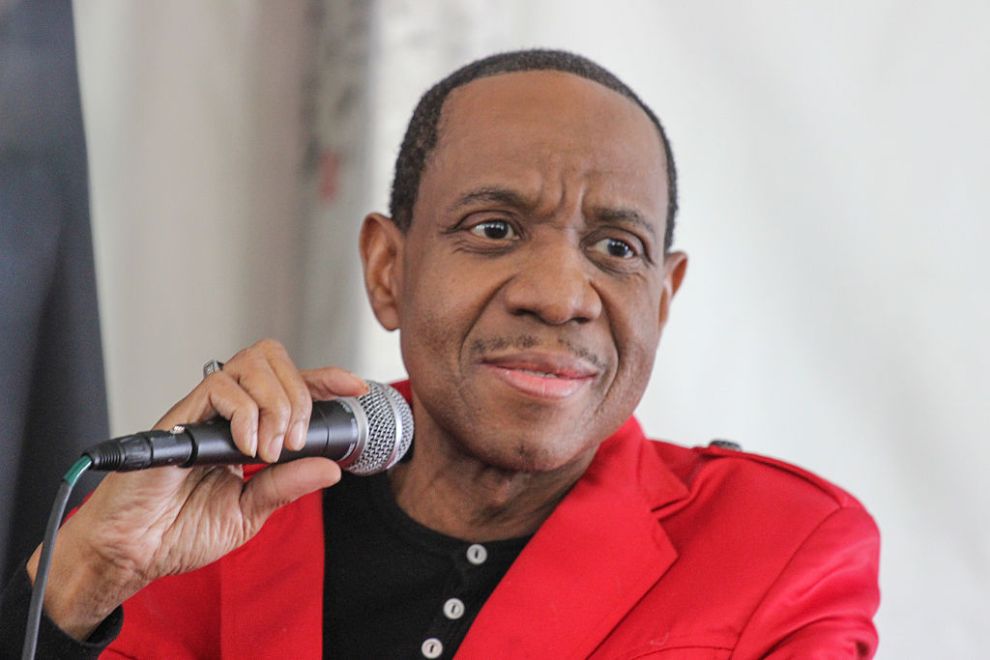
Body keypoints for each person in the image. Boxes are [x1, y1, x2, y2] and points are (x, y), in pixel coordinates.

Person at [1, 50, 880, 658]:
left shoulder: (780, 549)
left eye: (617, 248)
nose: (563, 295)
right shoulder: (216, 519)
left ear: (664, 296)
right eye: (494, 230)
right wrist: (92, 569)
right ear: (390, 270)